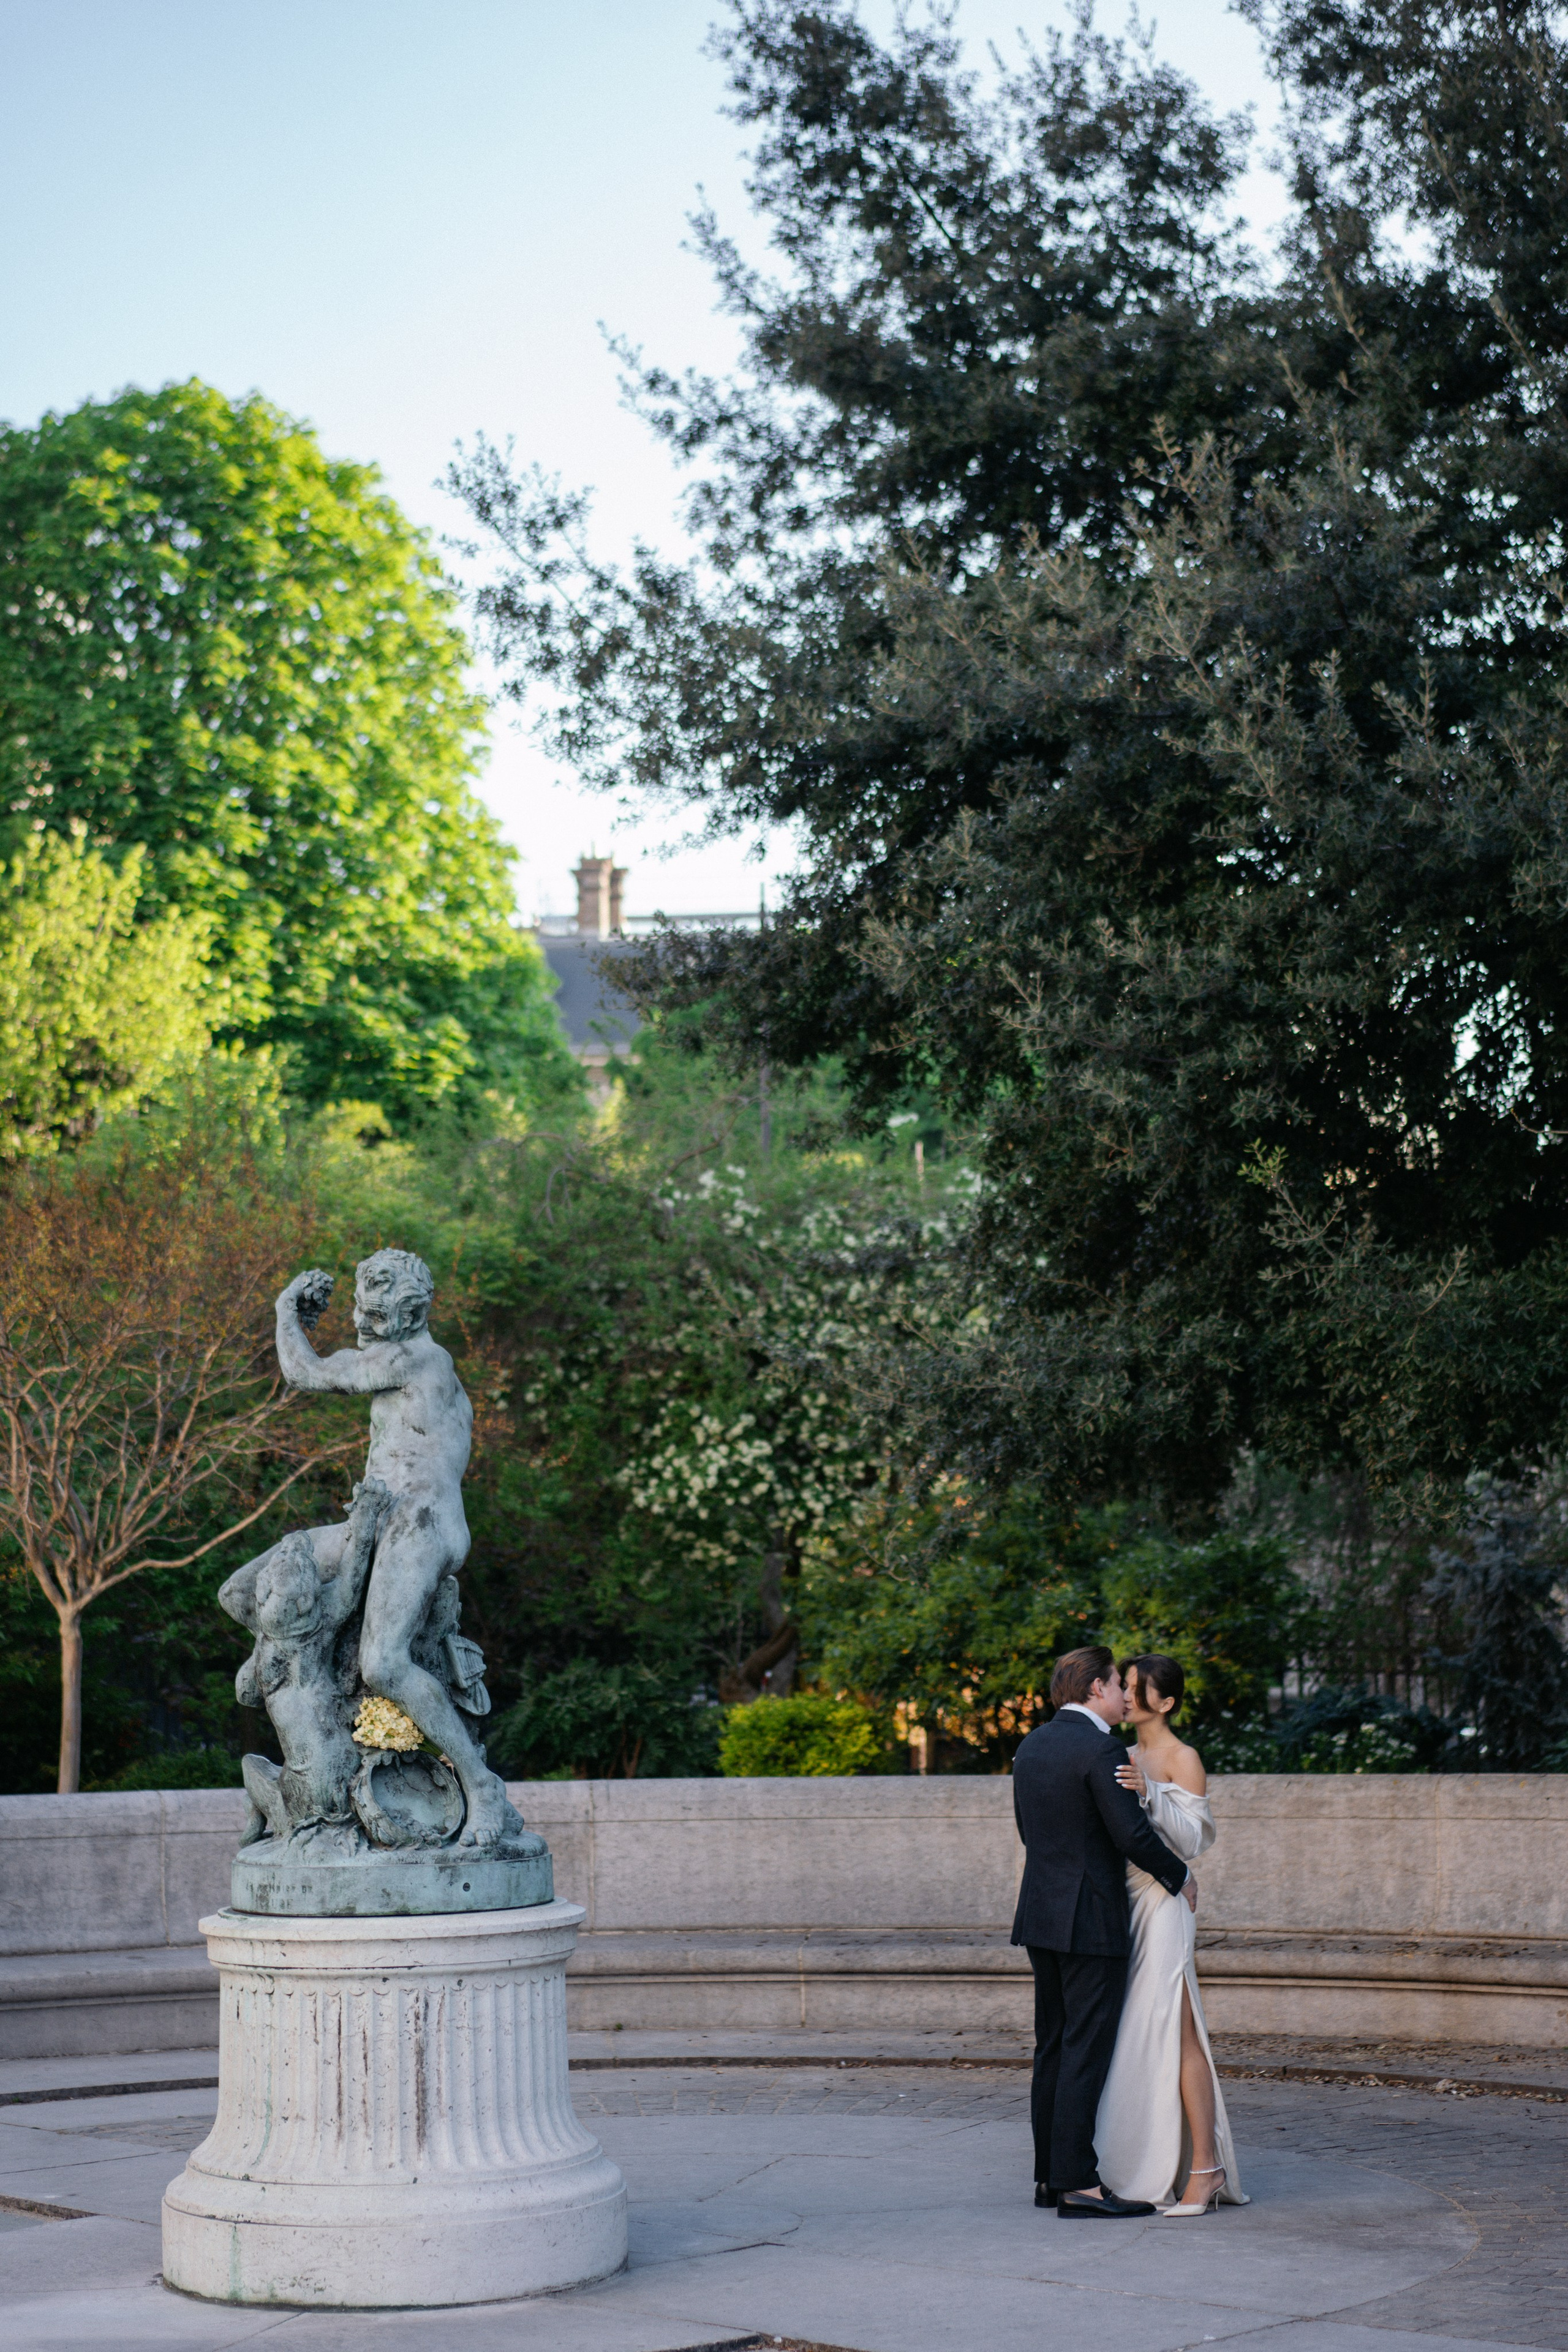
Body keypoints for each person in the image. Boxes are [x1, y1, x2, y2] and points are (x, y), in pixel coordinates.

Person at [273, 1250, 523, 1849]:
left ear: (408, 1314)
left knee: (383, 1662)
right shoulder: (410, 1363)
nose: (361, 1322)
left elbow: (308, 1373)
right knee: (262, 1578)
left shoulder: (420, 1359)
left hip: (421, 1522)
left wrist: (286, 1311)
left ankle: (481, 1785)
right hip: (381, 1519)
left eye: (374, 1314)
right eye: (359, 1310)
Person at [1011, 1646, 1191, 2217]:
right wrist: (1180, 1876)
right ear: (1095, 1689)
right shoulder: (1101, 1748)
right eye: (1117, 1686)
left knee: (1053, 2046)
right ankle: (1079, 2185)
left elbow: (1029, 1832)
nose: (1123, 1696)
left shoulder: (1032, 1745)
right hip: (1090, 1919)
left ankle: (1049, 2178)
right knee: (1085, 2049)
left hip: (1040, 1915)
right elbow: (1130, 1834)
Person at [1095, 1654, 1248, 2215]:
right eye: (1126, 1685)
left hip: (1165, 1904)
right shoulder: (1116, 1753)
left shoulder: (1184, 1758)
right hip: (1125, 1904)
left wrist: (1150, 1792)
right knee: (1138, 2034)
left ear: (1166, 1702)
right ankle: (1144, 2160)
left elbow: (1192, 1841)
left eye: (1138, 1689)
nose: (1127, 1695)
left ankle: (1205, 2169)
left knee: (1181, 2033)